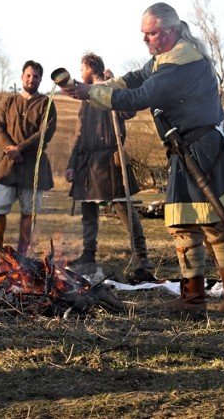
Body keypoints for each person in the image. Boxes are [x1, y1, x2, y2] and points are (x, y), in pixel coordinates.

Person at [63, 2, 224, 312]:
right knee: (204, 222)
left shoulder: (180, 65)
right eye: (143, 34)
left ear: (170, 32)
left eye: (150, 34)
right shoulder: (169, 56)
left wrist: (91, 94)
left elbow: (139, 96)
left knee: (189, 223)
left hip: (198, 149)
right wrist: (95, 86)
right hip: (193, 147)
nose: (145, 40)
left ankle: (199, 297)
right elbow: (135, 78)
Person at [65, 52, 155, 280]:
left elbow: (128, 110)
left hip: (109, 160)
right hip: (87, 161)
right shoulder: (84, 98)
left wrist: (117, 92)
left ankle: (142, 260)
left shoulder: (110, 89)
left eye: (81, 67)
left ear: (90, 67)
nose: (79, 73)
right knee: (88, 212)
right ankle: (88, 255)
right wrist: (71, 164)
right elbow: (79, 135)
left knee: (125, 210)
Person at [0, 60, 56, 256]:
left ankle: (22, 254)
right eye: (28, 75)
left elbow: (46, 133)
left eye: (35, 76)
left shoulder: (46, 103)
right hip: (8, 164)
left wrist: (21, 149)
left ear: (40, 79)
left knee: (29, 211)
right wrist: (10, 149)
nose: (31, 79)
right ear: (22, 76)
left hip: (32, 165)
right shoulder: (9, 102)